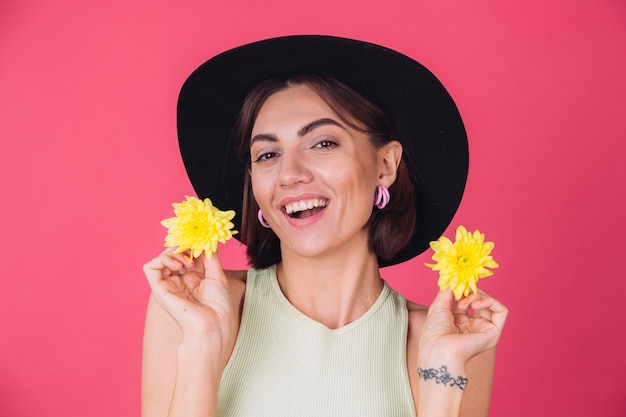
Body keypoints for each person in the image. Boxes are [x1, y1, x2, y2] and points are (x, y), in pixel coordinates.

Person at [142, 35, 508, 417]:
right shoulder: (192, 309)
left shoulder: (450, 339)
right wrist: (202, 343)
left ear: (385, 166)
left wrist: (444, 376)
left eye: (322, 143)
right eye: (268, 154)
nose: (290, 174)